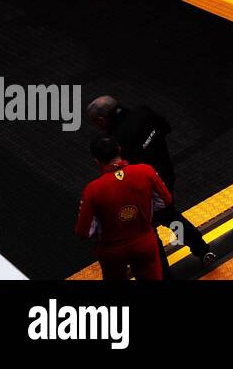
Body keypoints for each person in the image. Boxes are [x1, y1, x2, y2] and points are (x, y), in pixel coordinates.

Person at [86, 95, 216, 269]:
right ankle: (202, 249)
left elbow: (123, 171)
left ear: (102, 120)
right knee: (171, 218)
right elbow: (166, 127)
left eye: (96, 122)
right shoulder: (143, 111)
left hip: (144, 190)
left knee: (148, 232)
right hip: (166, 176)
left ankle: (161, 272)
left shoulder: (116, 140)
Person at [74, 136, 172, 281]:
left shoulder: (92, 190)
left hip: (111, 250)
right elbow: (166, 200)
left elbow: (83, 232)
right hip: (144, 241)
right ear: (119, 149)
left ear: (96, 160)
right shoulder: (146, 171)